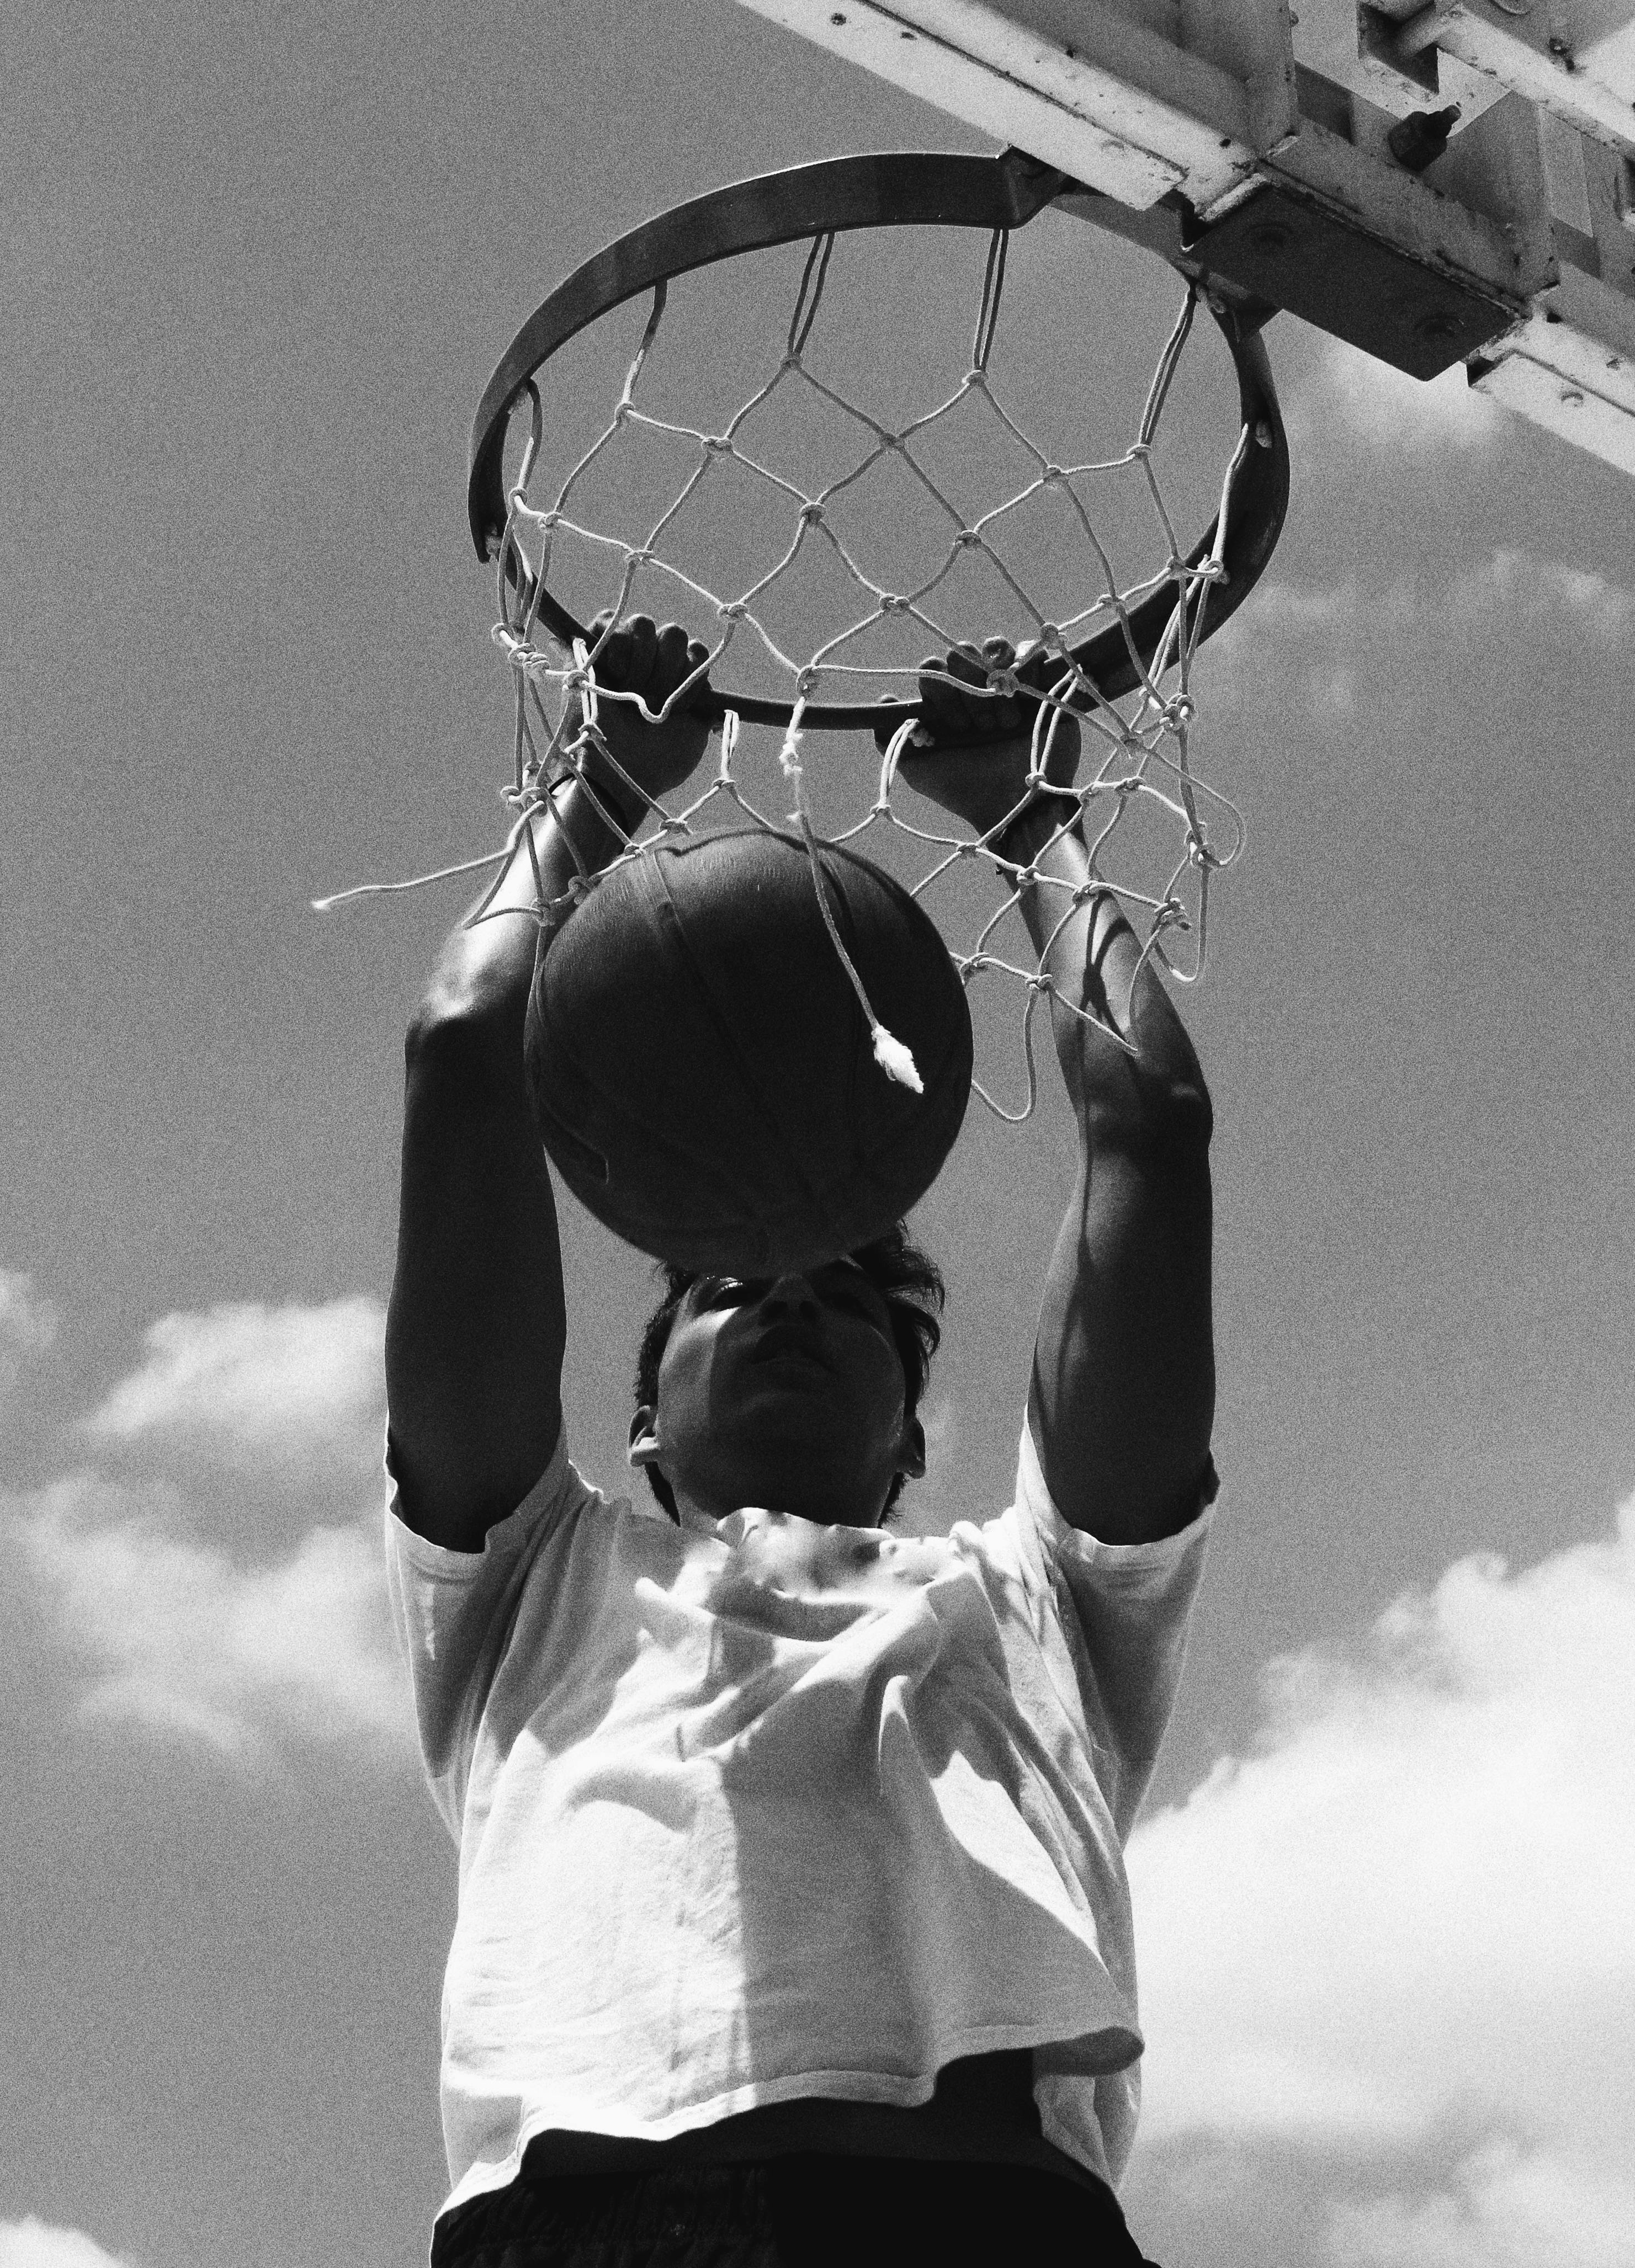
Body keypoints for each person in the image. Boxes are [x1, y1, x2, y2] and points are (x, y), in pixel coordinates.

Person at [384, 615, 1218, 2268]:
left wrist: (1031, 817)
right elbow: (464, 1043)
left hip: (980, 2218)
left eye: (851, 1293)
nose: (786, 1294)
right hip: (588, 2217)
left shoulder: (1041, 1595)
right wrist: (604, 785)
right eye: (723, 1289)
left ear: (915, 1436)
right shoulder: (530, 1577)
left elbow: (1153, 1126)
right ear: (637, 1420)